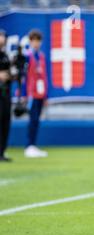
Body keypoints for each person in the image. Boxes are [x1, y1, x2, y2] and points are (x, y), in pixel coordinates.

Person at [24, 29, 48, 158]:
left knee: (37, 120)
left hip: (40, 93)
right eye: (34, 40)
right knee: (32, 120)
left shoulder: (42, 56)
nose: (36, 43)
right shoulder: (28, 55)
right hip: (31, 93)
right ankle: (29, 146)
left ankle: (33, 145)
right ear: (30, 41)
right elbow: (25, 77)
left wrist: (46, 95)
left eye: (38, 40)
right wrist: (24, 94)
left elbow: (44, 76)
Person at [0, 29, 12, 162]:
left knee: (5, 122)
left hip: (5, 93)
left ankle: (2, 152)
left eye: (3, 36)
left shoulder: (5, 55)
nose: (2, 38)